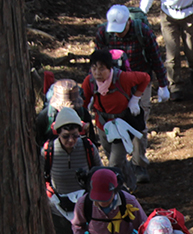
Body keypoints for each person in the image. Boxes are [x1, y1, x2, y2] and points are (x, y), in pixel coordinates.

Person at [95, 4, 170, 183]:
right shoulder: (104, 33)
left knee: (137, 122)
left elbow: (155, 57)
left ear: (129, 21)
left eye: (121, 29)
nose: (118, 34)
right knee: (111, 124)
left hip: (140, 83)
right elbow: (97, 61)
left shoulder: (143, 32)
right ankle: (119, 165)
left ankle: (139, 164)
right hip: (114, 84)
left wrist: (163, 84)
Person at [41, 107, 102, 234]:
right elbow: (41, 178)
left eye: (75, 136)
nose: (71, 141)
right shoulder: (48, 150)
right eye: (66, 136)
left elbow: (99, 173)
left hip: (85, 207)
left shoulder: (87, 147)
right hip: (58, 209)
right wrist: (54, 197)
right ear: (57, 133)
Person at [82, 49, 150, 192]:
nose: (97, 73)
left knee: (114, 164)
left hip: (122, 126)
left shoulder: (123, 78)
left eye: (102, 69)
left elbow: (145, 78)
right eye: (94, 68)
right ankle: (131, 185)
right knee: (115, 158)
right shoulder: (90, 82)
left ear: (110, 68)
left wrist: (135, 99)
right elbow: (84, 101)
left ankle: (115, 192)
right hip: (103, 125)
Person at [140, 0, 193, 101]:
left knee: (192, 50)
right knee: (172, 52)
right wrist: (142, 12)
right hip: (168, 15)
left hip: (190, 13)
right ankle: (175, 85)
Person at [36, 78, 98, 147]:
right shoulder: (46, 116)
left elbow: (92, 140)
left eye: (72, 108)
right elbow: (38, 140)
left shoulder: (83, 113)